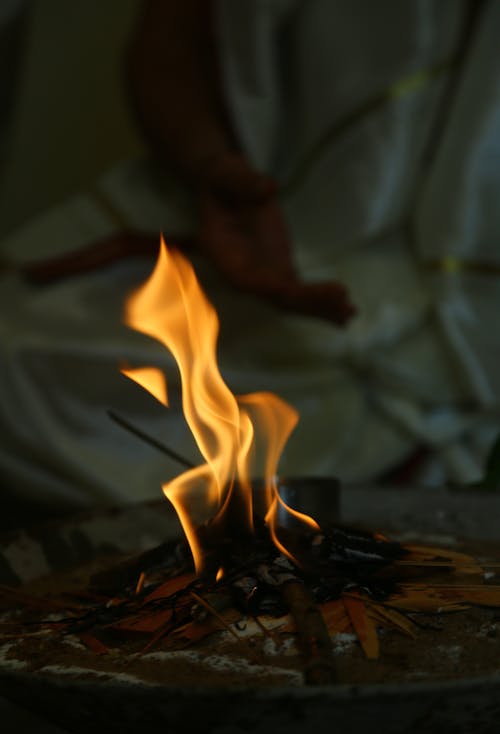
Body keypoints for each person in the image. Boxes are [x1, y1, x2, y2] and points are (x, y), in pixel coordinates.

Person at [0, 0, 498, 513]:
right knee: (15, 363)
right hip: (255, 250)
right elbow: (172, 36)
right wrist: (212, 167)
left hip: (469, 338)